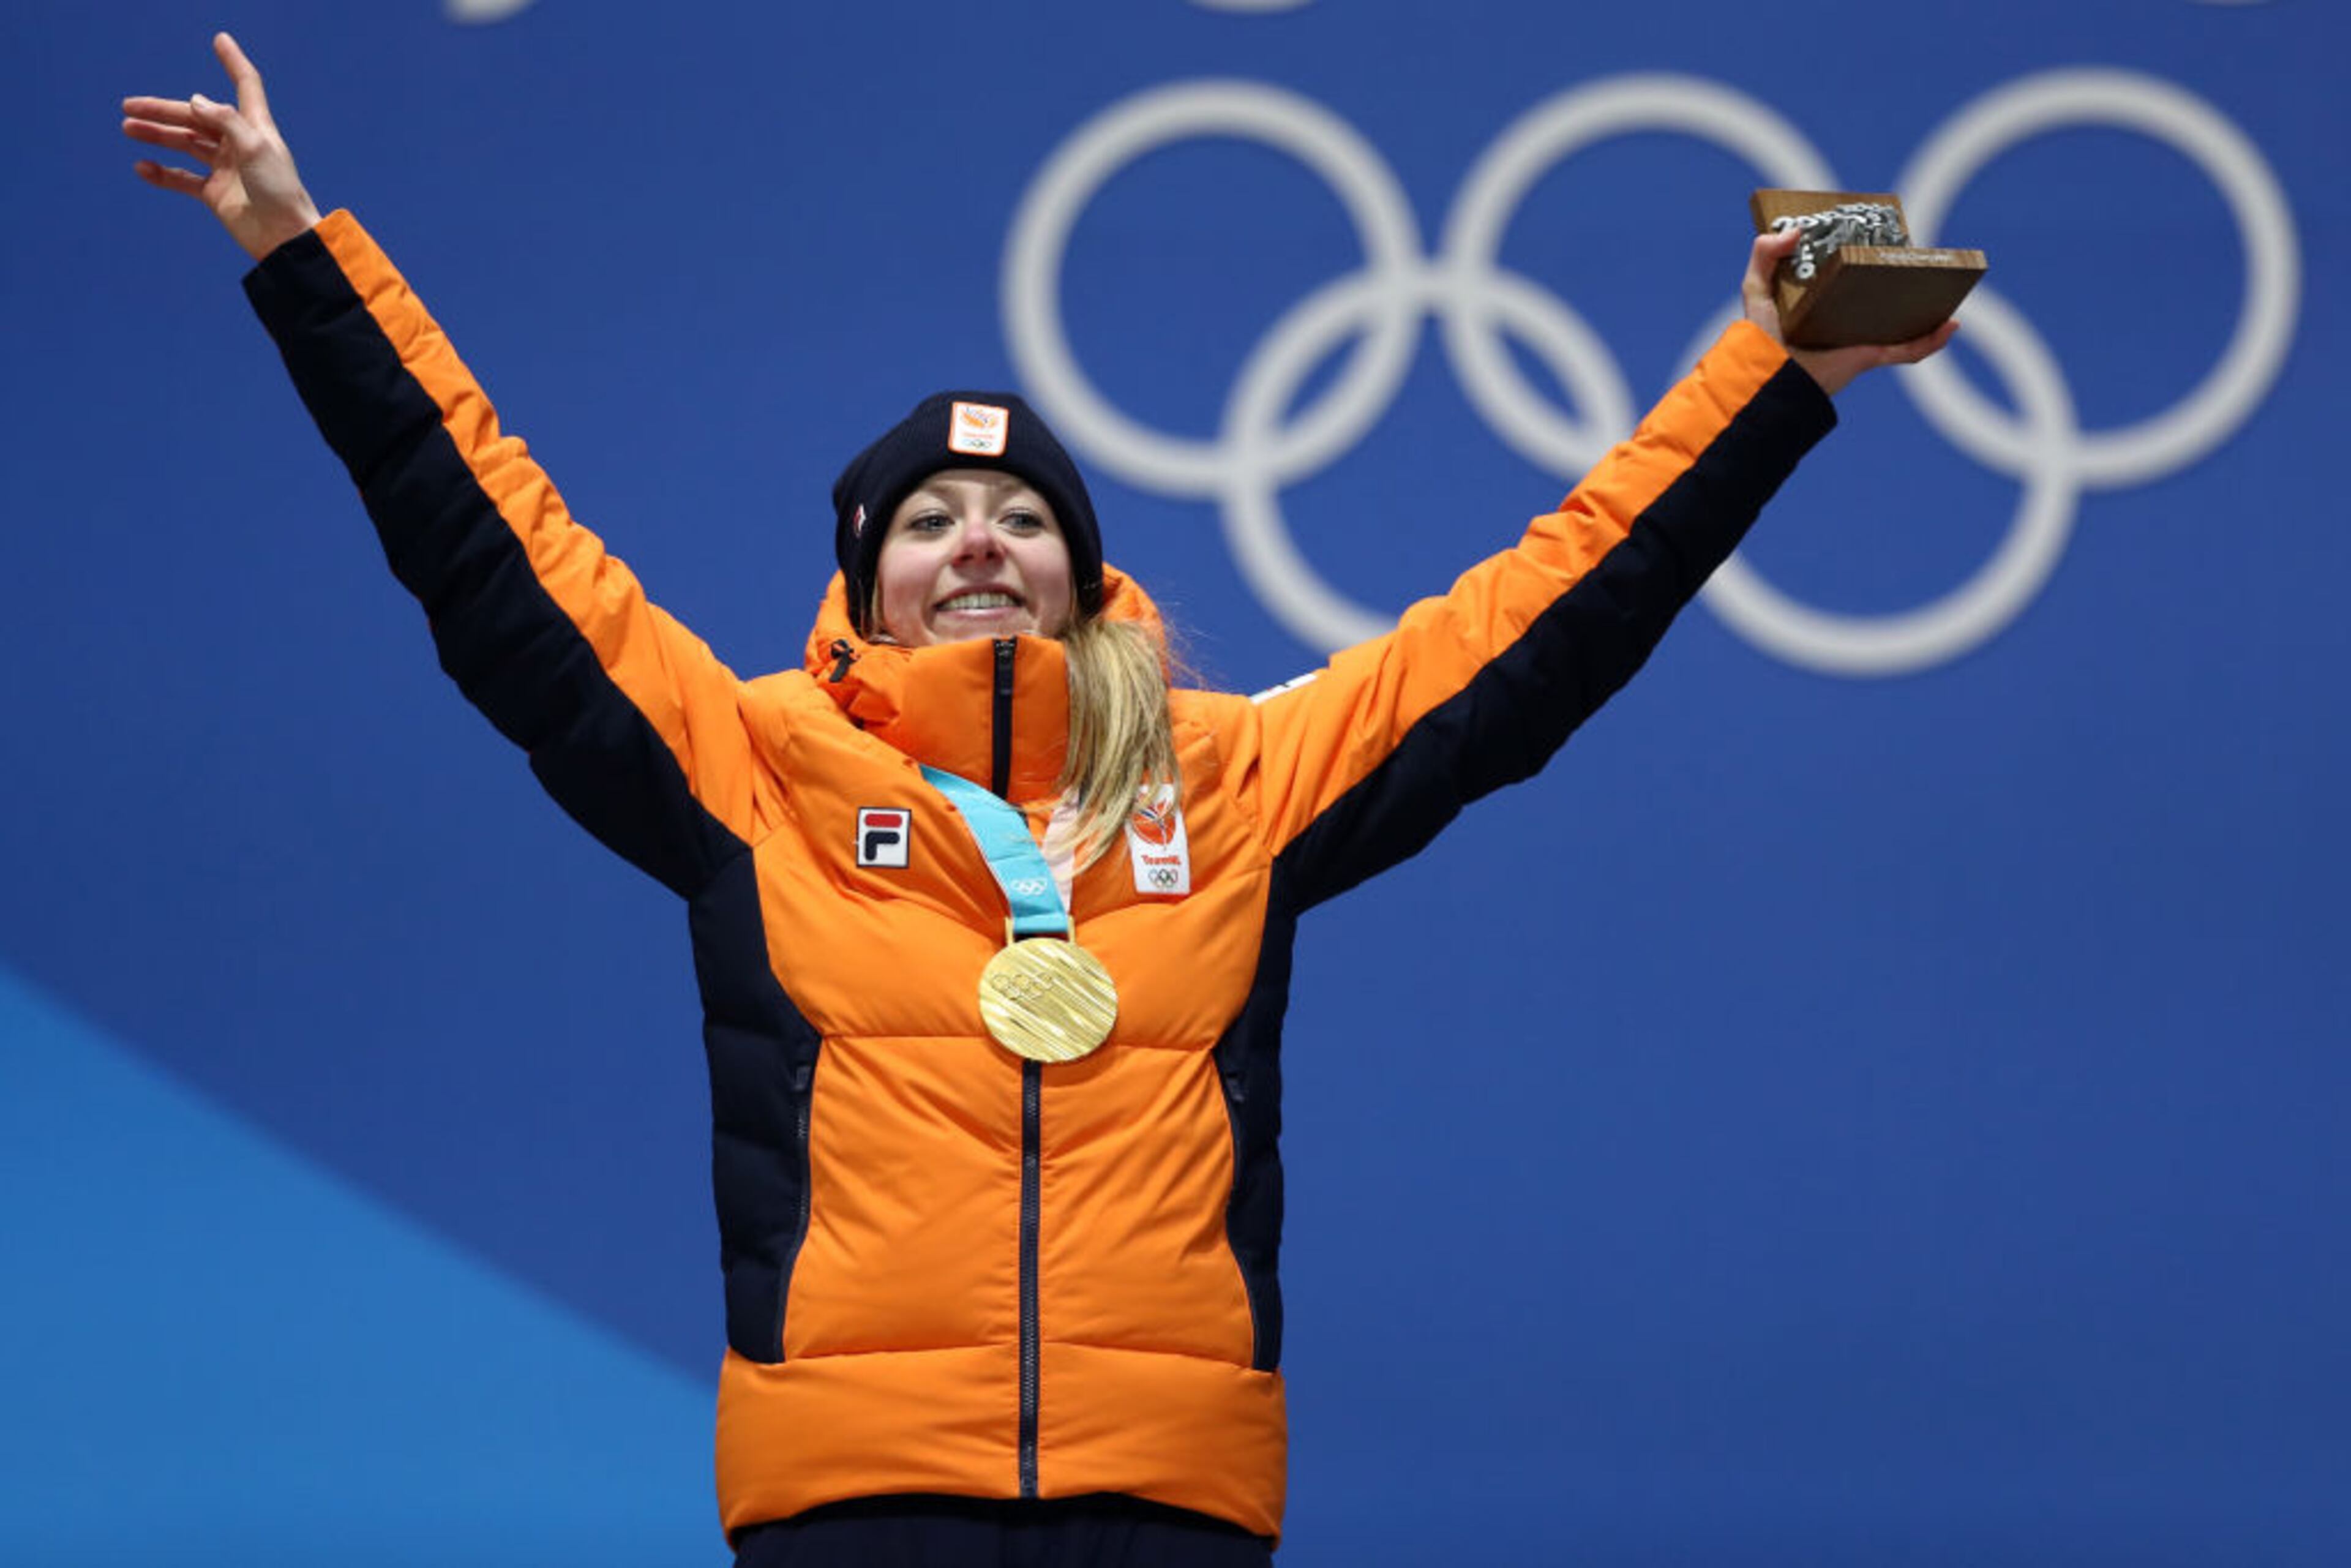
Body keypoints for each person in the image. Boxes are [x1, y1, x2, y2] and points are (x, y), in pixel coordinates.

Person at [124, 32, 1955, 1567]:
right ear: (865, 581)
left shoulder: (1232, 776)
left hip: (1170, 1495)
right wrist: (296, 245)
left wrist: (1774, 364)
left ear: (1083, 578)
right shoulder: (751, 763)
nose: (980, 542)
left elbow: (1547, 615)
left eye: (1023, 520)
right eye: (929, 520)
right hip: (850, 1494)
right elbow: (492, 546)